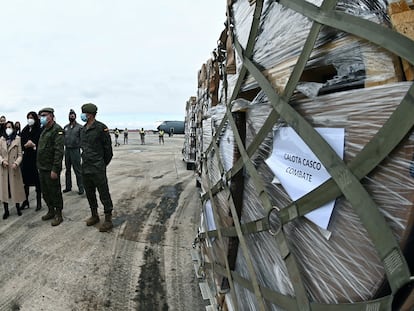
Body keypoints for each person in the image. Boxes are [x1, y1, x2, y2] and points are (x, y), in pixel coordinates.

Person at [80, 103, 114, 232]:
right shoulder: (83, 130)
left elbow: (108, 150)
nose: (82, 115)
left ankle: (108, 219)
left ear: (90, 114)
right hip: (86, 167)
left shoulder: (101, 128)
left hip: (97, 167)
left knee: (103, 192)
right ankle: (94, 215)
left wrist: (101, 164)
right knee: (89, 193)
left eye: (84, 113)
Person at [37, 108, 64, 226]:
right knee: (45, 192)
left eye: (44, 115)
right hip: (42, 167)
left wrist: (55, 169)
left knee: (55, 191)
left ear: (51, 116)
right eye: (40, 116)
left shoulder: (57, 130)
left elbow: (59, 152)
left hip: (51, 168)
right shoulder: (44, 130)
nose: (41, 118)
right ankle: (50, 210)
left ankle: (58, 214)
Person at [0, 121, 25, 219]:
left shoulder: (18, 139)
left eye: (10, 127)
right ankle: (6, 211)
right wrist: (2, 161)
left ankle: (18, 208)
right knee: (5, 189)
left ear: (13, 128)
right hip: (4, 168)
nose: (8, 129)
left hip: (14, 168)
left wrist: (16, 163)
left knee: (16, 188)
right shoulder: (1, 139)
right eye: (6, 127)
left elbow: (20, 155)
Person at [20, 111, 43, 211]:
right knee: (25, 182)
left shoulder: (40, 130)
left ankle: (39, 202)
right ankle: (25, 201)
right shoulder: (25, 129)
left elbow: (42, 144)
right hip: (26, 159)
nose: (30, 119)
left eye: (31, 117)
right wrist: (25, 145)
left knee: (37, 181)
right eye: (28, 117)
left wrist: (34, 145)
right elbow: (21, 143)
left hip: (36, 158)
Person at [63, 109, 84, 195]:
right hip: (67, 150)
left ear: (75, 116)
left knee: (78, 170)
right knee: (67, 170)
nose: (71, 116)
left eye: (73, 115)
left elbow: (82, 139)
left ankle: (81, 188)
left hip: (75, 150)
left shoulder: (79, 127)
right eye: (70, 115)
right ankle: (68, 187)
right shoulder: (66, 127)